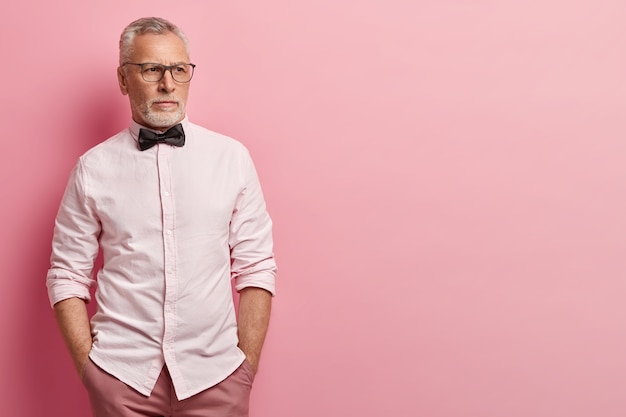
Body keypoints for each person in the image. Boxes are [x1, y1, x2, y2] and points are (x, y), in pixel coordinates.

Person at [46, 16, 277, 417]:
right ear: (123, 78)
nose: (168, 84)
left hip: (217, 376)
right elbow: (66, 274)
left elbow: (256, 266)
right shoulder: (92, 168)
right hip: (122, 377)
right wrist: (90, 370)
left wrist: (245, 367)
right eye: (152, 69)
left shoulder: (231, 159)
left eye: (179, 70)